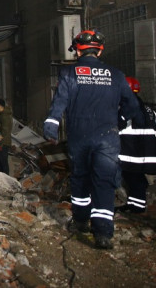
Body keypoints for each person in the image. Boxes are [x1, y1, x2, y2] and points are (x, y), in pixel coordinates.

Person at [43, 29, 142, 250]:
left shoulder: (70, 73)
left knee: (80, 178)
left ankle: (80, 221)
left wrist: (51, 125)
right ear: (100, 50)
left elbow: (60, 102)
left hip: (79, 136)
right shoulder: (116, 75)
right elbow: (133, 106)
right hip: (107, 137)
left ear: (78, 49)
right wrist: (119, 119)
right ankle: (103, 234)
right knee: (104, 182)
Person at [118, 76, 156, 213]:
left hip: (130, 153)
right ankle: (134, 205)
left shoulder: (125, 108)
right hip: (146, 152)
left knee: (134, 179)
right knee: (135, 178)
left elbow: (118, 126)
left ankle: (136, 208)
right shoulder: (149, 110)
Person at [0, 99, 13, 174]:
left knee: (3, 162)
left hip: (3, 142)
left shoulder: (4, 116)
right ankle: (3, 177)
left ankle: (6, 179)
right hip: (2, 141)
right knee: (0, 161)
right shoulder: (2, 114)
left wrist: (0, 143)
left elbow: (5, 131)